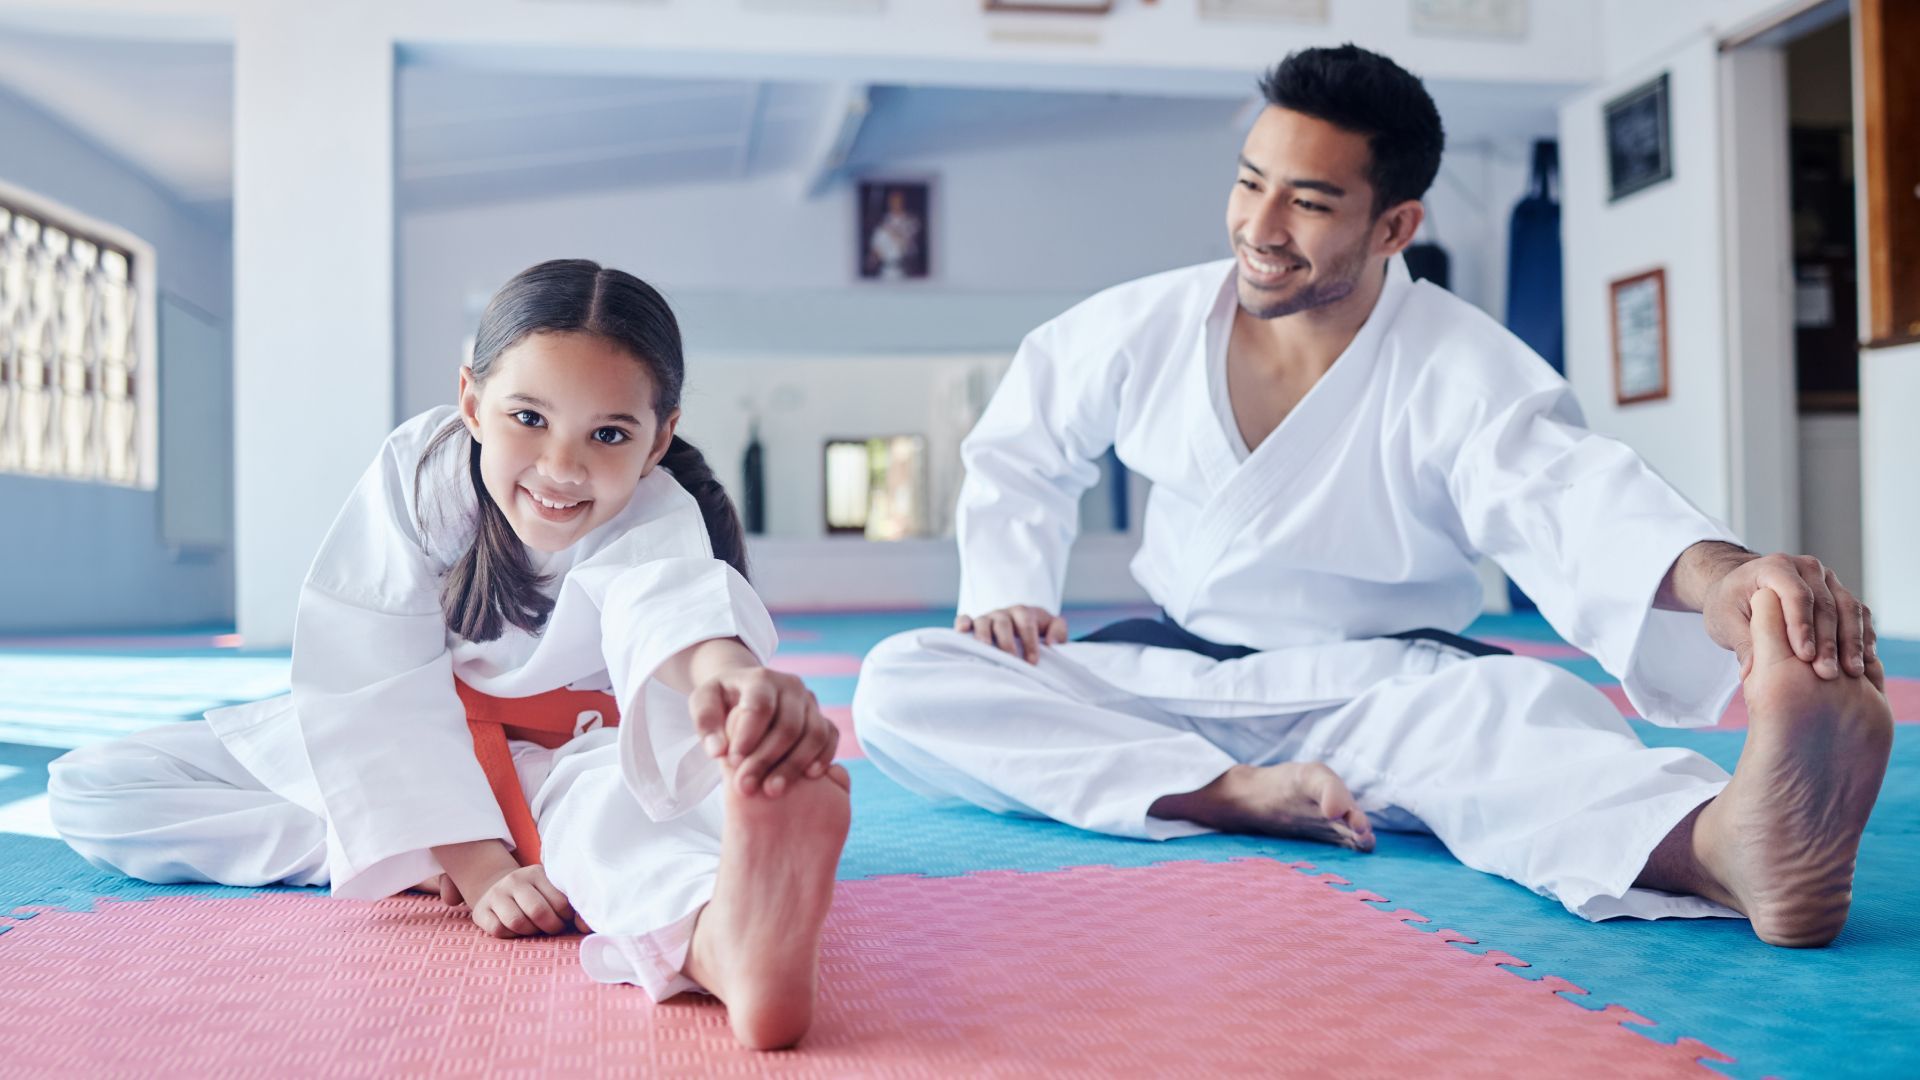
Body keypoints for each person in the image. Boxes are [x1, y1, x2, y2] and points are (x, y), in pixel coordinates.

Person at [853, 46, 1892, 948]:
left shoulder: (1459, 364)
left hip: (1387, 691)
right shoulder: (1144, 325)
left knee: (1521, 723)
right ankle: (1227, 797)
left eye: (1308, 201)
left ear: (1395, 225)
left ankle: (1728, 849)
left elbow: (1572, 496)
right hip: (1171, 679)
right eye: (1250, 183)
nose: (1260, 225)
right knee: (903, 681)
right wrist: (1006, 581)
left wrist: (1726, 582)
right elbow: (1024, 442)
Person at [48, 260, 850, 1049]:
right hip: (409, 748)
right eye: (528, 418)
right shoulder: (422, 474)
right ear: (471, 399)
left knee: (610, 814)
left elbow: (670, 607)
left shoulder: (653, 511)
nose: (561, 468)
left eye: (608, 433)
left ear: (658, 439)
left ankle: (721, 944)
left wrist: (734, 678)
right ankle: (420, 847)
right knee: (96, 788)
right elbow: (372, 678)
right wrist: (471, 862)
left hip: (564, 760)